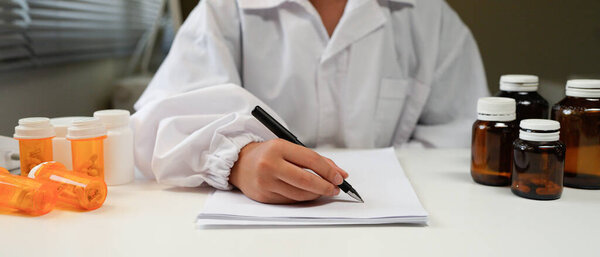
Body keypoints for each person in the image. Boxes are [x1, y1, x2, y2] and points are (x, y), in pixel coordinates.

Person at [131, 0, 489, 203]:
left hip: (390, 226)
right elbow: (155, 127)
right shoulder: (225, 10)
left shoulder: (429, 16)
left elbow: (463, 137)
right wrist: (238, 160)